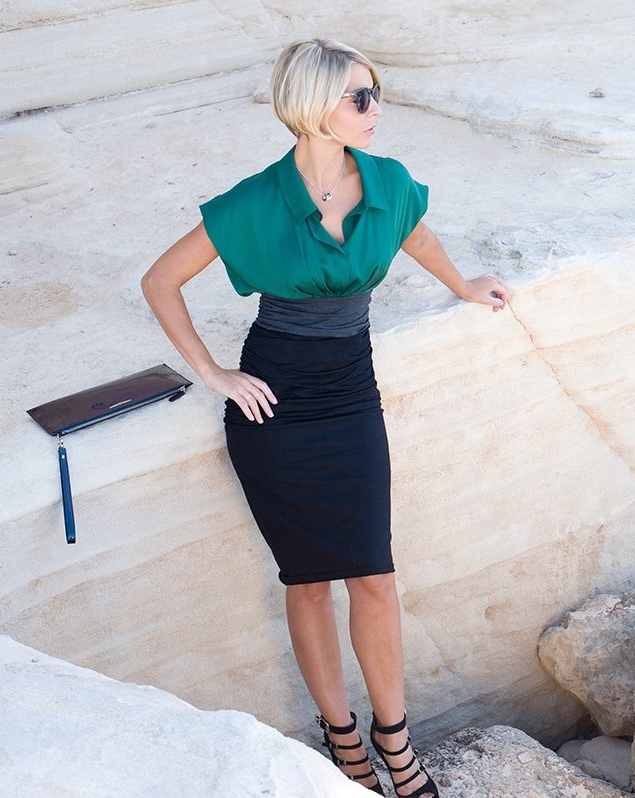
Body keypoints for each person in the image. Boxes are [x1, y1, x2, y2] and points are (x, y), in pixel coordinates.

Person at [141, 38, 508, 797]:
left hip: (350, 396)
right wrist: (213, 372)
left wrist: (463, 284)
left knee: (374, 576)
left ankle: (394, 741)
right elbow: (161, 281)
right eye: (360, 97)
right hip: (275, 406)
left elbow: (413, 231)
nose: (377, 110)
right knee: (307, 582)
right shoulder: (253, 201)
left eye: (376, 93)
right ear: (313, 107)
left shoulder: (388, 181)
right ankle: (342, 741)